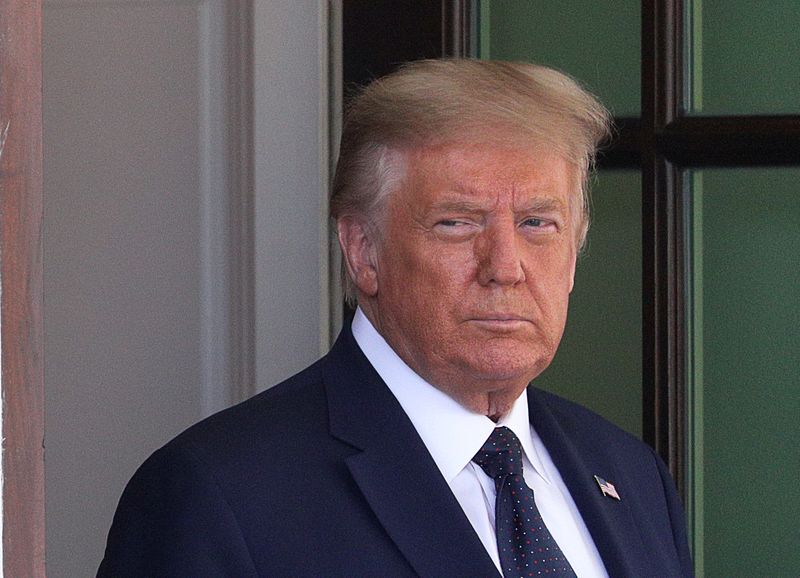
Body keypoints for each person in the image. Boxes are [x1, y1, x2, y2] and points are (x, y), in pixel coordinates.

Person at [98, 59, 693, 577]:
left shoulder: (631, 476)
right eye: (457, 223)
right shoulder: (218, 496)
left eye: (538, 224)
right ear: (364, 252)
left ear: (574, 254)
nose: (505, 267)